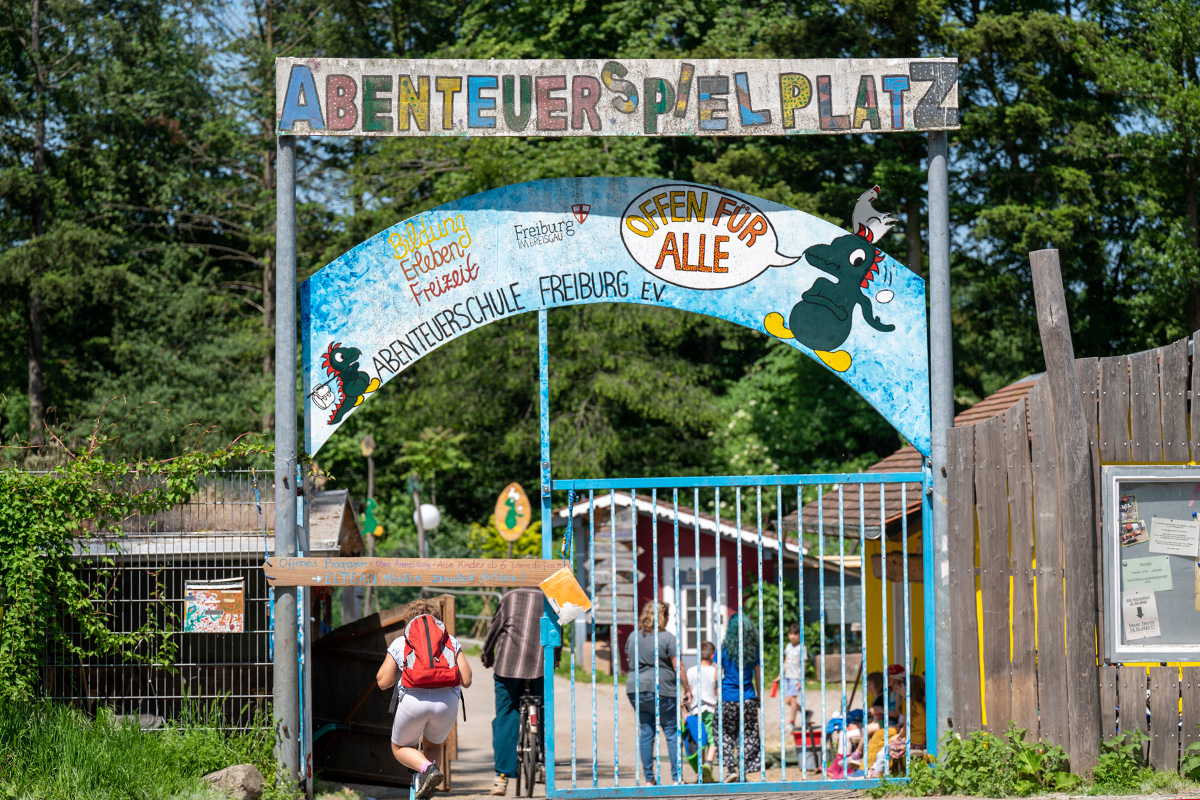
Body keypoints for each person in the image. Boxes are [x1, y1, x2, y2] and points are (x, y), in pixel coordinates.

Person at [376, 599, 472, 800]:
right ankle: (426, 791)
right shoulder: (450, 641)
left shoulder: (401, 642)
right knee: (434, 746)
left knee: (400, 748)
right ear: (437, 620)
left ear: (408, 621)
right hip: (446, 702)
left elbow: (383, 682)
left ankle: (427, 769)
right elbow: (467, 680)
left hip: (413, 702)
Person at [482, 587, 547, 797]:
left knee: (506, 714)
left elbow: (495, 629)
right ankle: (543, 765)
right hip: (540, 666)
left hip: (508, 666)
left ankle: (501, 777)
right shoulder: (548, 598)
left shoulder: (509, 597)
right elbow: (556, 630)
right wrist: (554, 660)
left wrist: (487, 655)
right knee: (543, 710)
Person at [625, 600, 692, 785]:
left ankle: (649, 779)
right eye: (667, 615)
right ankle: (677, 778)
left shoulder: (633, 637)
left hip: (636, 689)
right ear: (663, 617)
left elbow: (630, 659)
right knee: (671, 732)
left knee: (646, 732)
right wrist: (687, 688)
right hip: (662, 689)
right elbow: (678, 666)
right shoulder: (667, 638)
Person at [719, 613, 762, 781]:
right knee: (749, 733)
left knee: (725, 733)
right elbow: (758, 676)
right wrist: (759, 696)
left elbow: (716, 676)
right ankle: (745, 768)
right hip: (747, 697)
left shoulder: (724, 650)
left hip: (727, 697)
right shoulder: (753, 651)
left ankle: (730, 769)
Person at [685, 640, 719, 782]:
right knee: (713, 740)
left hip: (695, 710)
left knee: (701, 740)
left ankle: (701, 772)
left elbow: (687, 691)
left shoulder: (691, 671)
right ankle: (708, 764)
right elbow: (718, 690)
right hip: (711, 709)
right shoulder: (715, 671)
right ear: (712, 655)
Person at [781, 622, 805, 732]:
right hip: (787, 677)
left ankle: (792, 722)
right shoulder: (788, 646)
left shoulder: (802, 647)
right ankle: (805, 712)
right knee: (788, 701)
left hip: (796, 677)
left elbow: (804, 663)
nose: (793, 636)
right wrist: (780, 675)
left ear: (799, 635)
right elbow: (785, 661)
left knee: (793, 699)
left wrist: (801, 679)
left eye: (795, 634)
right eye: (791, 634)